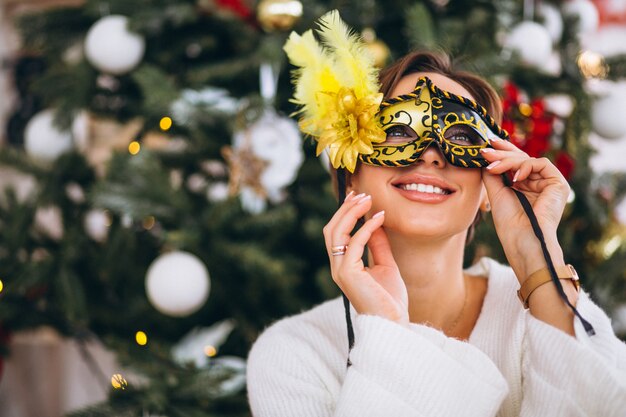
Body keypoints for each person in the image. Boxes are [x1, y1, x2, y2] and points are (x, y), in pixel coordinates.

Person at [247, 11, 626, 417]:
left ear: (489, 184)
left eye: (460, 135)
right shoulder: (294, 354)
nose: (430, 152)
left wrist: (538, 258)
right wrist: (387, 329)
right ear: (350, 176)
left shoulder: (538, 317)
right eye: (397, 130)